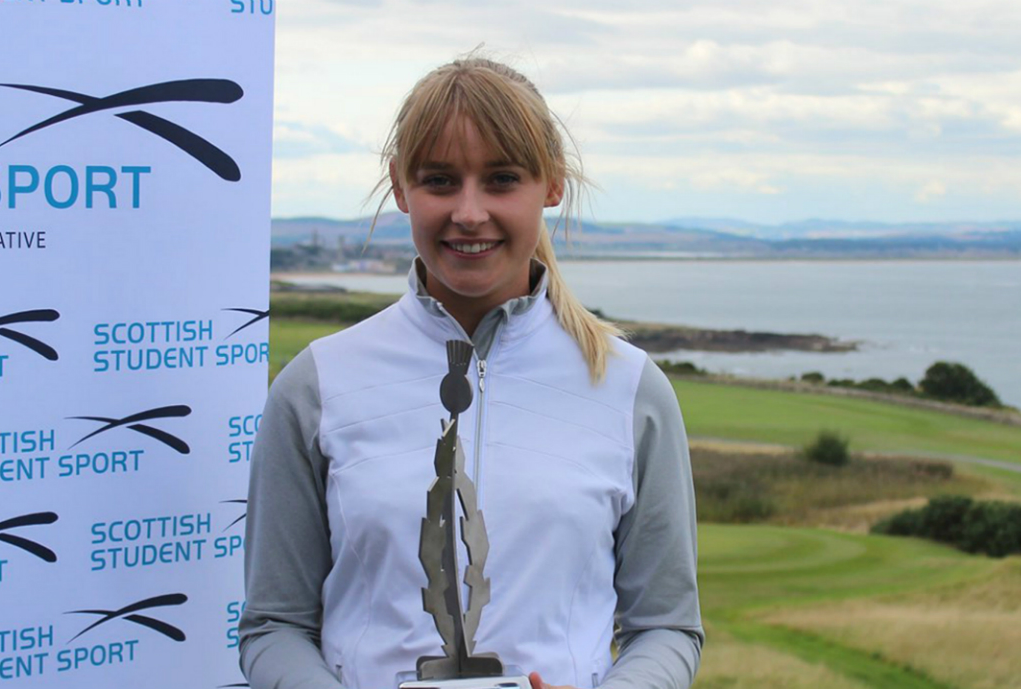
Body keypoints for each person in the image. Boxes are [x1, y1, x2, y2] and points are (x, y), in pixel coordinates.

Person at [238, 55, 703, 689]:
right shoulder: (315, 385)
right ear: (401, 187)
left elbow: (667, 627)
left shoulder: (630, 389)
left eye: (502, 180)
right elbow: (274, 625)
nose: (469, 212)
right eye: (439, 181)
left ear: (553, 184)